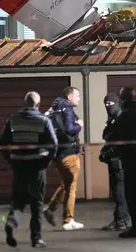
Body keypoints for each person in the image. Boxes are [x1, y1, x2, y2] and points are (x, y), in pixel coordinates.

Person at [0, 91, 58, 248]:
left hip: (19, 166)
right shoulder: (44, 120)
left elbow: (2, 143)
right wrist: (47, 161)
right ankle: (36, 238)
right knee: (36, 203)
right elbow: (54, 144)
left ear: (25, 103)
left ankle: (11, 224)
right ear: (38, 104)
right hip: (37, 166)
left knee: (18, 201)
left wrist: (11, 159)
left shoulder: (13, 120)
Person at [108, 87, 136, 238]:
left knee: (132, 194)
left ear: (121, 98)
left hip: (130, 158)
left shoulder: (125, 115)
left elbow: (115, 136)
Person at [43, 86, 84, 231]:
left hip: (57, 154)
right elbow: (69, 129)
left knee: (66, 184)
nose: (79, 98)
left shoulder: (53, 109)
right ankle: (69, 220)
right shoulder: (67, 109)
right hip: (69, 153)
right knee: (71, 187)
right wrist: (79, 125)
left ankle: (50, 209)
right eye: (77, 95)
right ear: (69, 97)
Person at [99, 93, 130, 231]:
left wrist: (109, 154)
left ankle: (122, 221)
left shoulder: (122, 120)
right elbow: (107, 137)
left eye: (110, 104)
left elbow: (121, 143)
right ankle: (121, 219)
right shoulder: (113, 120)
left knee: (120, 192)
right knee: (118, 192)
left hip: (120, 162)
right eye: (105, 105)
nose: (107, 107)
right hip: (114, 161)